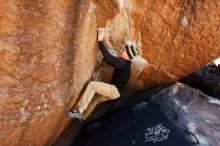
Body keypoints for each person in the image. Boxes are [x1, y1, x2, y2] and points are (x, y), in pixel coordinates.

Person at [66, 29, 137, 120]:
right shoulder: (125, 64)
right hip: (116, 93)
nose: (120, 50)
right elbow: (111, 62)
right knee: (95, 100)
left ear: (127, 55)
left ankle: (79, 111)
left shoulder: (122, 63)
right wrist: (103, 58)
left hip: (113, 90)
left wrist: (100, 41)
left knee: (92, 85)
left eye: (123, 50)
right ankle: (83, 117)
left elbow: (109, 58)